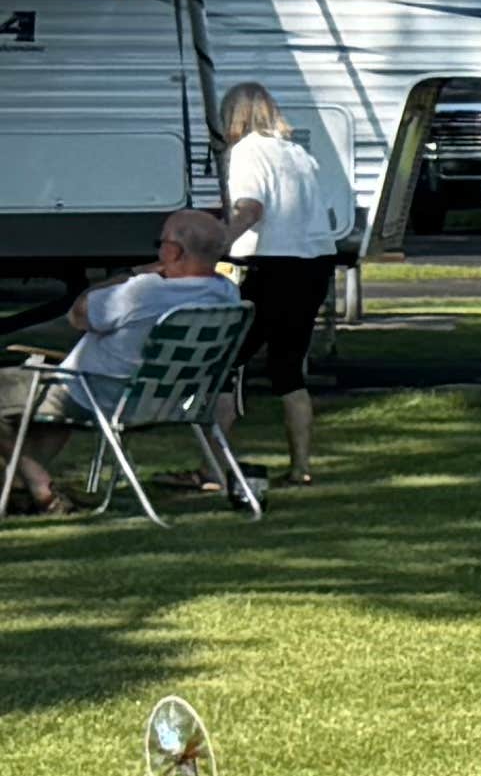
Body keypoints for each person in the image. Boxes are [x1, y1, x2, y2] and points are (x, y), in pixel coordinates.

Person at [4, 208, 246, 515]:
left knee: (33, 393)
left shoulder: (143, 291)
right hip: (169, 401)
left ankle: (41, 489)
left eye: (160, 243)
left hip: (98, 395)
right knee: (37, 405)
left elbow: (78, 315)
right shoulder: (227, 294)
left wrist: (133, 273)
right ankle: (16, 489)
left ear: (172, 251)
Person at [213, 82, 356, 482]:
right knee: (288, 368)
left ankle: (214, 466)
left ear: (233, 116)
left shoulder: (245, 152)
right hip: (314, 262)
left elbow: (251, 207)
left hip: (268, 262)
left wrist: (221, 238)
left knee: (226, 362)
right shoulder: (297, 153)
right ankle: (301, 467)